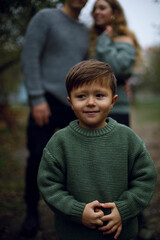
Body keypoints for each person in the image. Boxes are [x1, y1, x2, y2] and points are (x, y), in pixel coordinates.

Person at [37, 59, 157, 240]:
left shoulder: (128, 139)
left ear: (113, 101)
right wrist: (77, 212)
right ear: (70, 102)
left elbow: (145, 179)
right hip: (75, 233)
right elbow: (49, 186)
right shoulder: (59, 142)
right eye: (81, 96)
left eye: (99, 95)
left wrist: (123, 209)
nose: (90, 102)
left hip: (121, 233)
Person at [21, 0, 89, 237]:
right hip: (46, 100)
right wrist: (37, 97)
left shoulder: (85, 31)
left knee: (79, 159)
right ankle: (31, 215)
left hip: (74, 103)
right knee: (38, 156)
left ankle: (79, 212)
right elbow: (30, 57)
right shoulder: (45, 18)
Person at [89, 0, 141, 127]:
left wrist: (104, 39)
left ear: (115, 13)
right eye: (95, 9)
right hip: (90, 109)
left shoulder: (125, 39)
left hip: (117, 109)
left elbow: (119, 69)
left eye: (102, 8)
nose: (96, 12)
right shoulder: (91, 39)